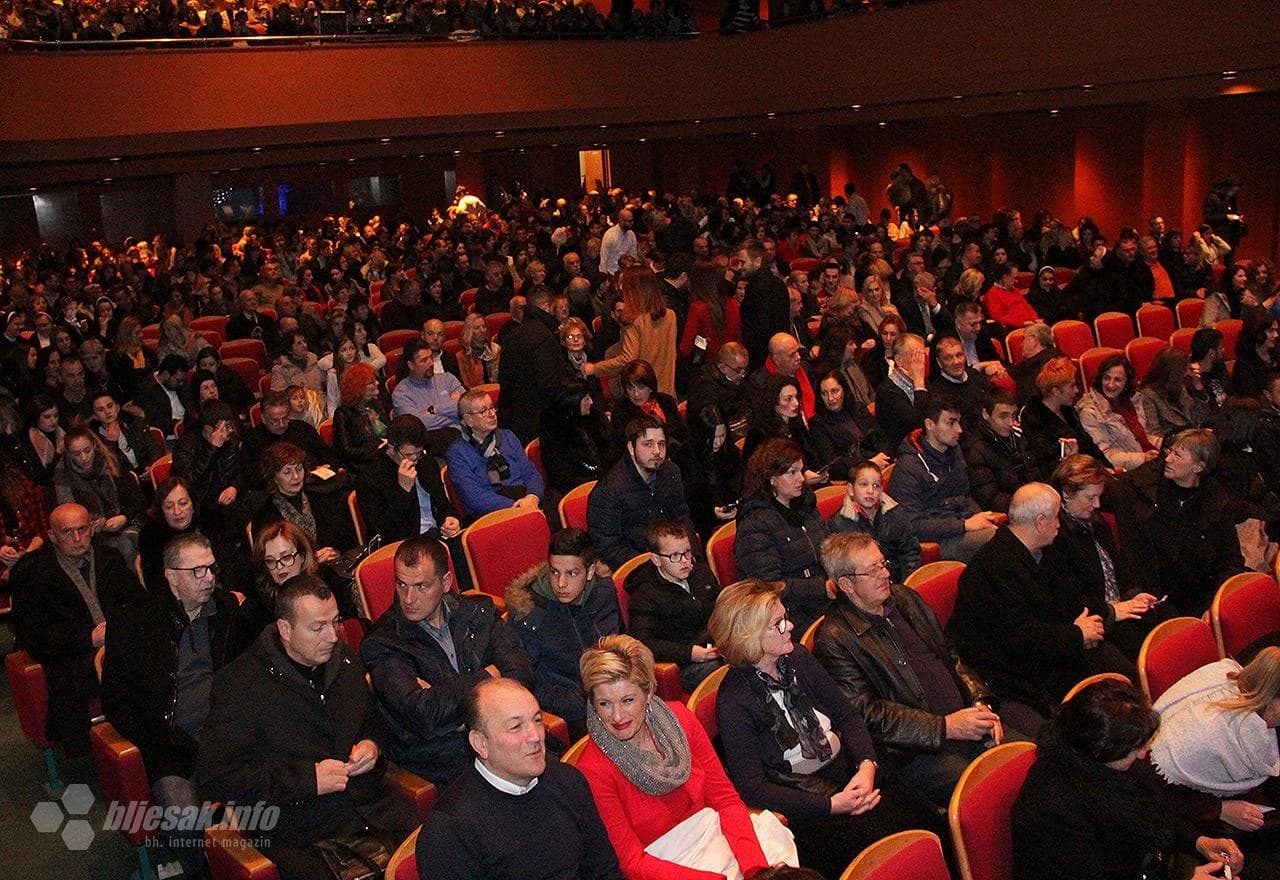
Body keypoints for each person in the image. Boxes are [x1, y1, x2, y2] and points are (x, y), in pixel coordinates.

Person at [711, 578, 941, 880]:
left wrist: (866, 767)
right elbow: (753, 787)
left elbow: (847, 716)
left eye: (786, 618)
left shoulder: (797, 659)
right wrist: (831, 805)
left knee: (925, 821)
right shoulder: (734, 700)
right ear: (749, 637)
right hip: (806, 800)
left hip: (849, 770)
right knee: (877, 847)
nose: (790, 626)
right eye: (778, 624)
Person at [195, 574, 418, 880]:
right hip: (298, 831)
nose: (332, 636)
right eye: (318, 628)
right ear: (285, 629)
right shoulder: (239, 686)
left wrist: (372, 746)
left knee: (440, 848)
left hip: (370, 811)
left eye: (335, 622)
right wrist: (307, 779)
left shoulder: (344, 663)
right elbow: (218, 781)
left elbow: (375, 724)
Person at [575, 634, 797, 880]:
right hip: (664, 865)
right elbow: (632, 863)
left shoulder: (679, 719)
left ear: (648, 693)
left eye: (627, 700)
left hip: (714, 833)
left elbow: (725, 800)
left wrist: (755, 870)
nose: (617, 717)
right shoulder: (593, 769)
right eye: (605, 704)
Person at [101, 532, 256, 876]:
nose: (208, 579)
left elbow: (254, 668)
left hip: (232, 735)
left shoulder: (226, 611)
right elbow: (116, 701)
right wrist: (161, 738)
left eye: (211, 569)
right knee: (184, 818)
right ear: (170, 575)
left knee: (273, 797)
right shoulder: (134, 622)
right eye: (196, 571)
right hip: (172, 747)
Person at [953, 483, 1138, 735]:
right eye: (1055, 518)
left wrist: (1090, 623)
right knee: (1108, 702)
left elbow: (1069, 597)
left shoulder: (1042, 552)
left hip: (1052, 648)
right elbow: (1018, 638)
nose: (1059, 525)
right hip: (1015, 673)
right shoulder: (993, 568)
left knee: (1122, 670)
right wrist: (1076, 635)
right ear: (1040, 521)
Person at [1012, 679, 1243, 880]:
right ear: (1100, 750)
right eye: (1134, 749)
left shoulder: (1108, 764)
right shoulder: (1052, 808)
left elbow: (1155, 815)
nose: (1143, 754)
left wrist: (1199, 841)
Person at [360, 536, 533, 786]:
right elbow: (424, 714)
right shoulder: (383, 642)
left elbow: (521, 674)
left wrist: (455, 712)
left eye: (421, 586)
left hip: (502, 740)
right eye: (401, 584)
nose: (408, 598)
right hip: (445, 762)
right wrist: (489, 675)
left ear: (446, 582)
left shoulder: (478, 612)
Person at [416, 677, 624, 880]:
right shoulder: (449, 831)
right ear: (480, 744)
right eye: (516, 727)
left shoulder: (568, 781)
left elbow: (604, 870)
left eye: (537, 720)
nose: (535, 736)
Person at [11, 502, 143, 755]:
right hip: (69, 658)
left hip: (119, 642)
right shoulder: (34, 573)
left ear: (92, 529)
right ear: (51, 535)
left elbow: (137, 604)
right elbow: (33, 636)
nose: (77, 538)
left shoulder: (109, 560)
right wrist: (88, 638)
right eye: (67, 532)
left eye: (82, 530)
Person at [1041, 455, 1165, 661]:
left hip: (1116, 607)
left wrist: (1133, 595)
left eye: (1099, 496)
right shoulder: (1055, 536)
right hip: (1095, 619)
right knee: (1147, 651)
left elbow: (1120, 567)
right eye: (1090, 498)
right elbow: (1070, 598)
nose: (1097, 504)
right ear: (1067, 494)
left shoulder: (1094, 521)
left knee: (1164, 620)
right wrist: (1112, 610)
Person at [1111, 429, 1245, 616]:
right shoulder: (1142, 485)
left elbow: (1230, 559)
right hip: (1150, 594)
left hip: (1199, 592)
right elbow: (1109, 490)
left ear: (1198, 467)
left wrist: (1215, 604)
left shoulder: (1215, 502)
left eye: (1178, 455)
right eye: (1170, 452)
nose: (1167, 459)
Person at [1151, 649, 1280, 836]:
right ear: (1270, 698)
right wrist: (1220, 809)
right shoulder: (1209, 734)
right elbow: (1153, 788)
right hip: (1182, 802)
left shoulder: (1233, 674)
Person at [506, 528, 622, 736]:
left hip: (611, 690)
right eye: (554, 572)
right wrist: (579, 701)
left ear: (590, 571)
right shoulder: (529, 613)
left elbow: (621, 641)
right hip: (572, 710)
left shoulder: (602, 591)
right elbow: (522, 683)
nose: (561, 583)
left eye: (571, 573)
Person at [734, 439, 830, 636]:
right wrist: (821, 588)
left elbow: (827, 550)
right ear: (771, 479)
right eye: (792, 472)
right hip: (787, 614)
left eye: (801, 470)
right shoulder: (755, 524)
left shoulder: (806, 506)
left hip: (822, 600)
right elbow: (768, 586)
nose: (801, 479)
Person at [892, 395, 1002, 562]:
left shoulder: (954, 451)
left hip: (959, 525)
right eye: (951, 423)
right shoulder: (908, 467)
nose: (959, 430)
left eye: (959, 422)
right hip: (936, 540)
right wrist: (964, 525)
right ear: (930, 424)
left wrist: (977, 517)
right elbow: (911, 524)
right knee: (998, 542)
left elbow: (965, 496)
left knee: (1012, 535)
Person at [624, 519, 724, 693]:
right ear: (656, 560)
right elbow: (644, 643)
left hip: (716, 647)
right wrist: (690, 653)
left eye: (687, 552)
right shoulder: (645, 594)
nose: (685, 561)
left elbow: (721, 607)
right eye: (674, 556)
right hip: (683, 665)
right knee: (728, 670)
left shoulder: (700, 573)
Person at [587, 415, 694, 570]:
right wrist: (655, 564)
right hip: (639, 568)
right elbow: (608, 548)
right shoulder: (609, 491)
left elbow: (682, 518)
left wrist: (691, 555)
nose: (657, 451)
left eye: (661, 444)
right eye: (648, 444)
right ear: (631, 448)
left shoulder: (671, 472)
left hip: (674, 557)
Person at [355, 414, 462, 550]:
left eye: (419, 453)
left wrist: (450, 517)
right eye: (409, 455)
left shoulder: (426, 462)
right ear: (392, 448)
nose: (415, 459)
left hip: (437, 536)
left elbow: (443, 504)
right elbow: (383, 530)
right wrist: (403, 491)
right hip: (403, 545)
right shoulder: (370, 477)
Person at [445, 388, 544, 518]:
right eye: (483, 411)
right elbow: (474, 497)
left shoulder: (508, 436)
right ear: (468, 420)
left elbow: (530, 473)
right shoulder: (457, 453)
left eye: (492, 408)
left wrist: (532, 497)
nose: (492, 414)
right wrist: (517, 507)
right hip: (493, 511)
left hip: (526, 500)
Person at [497, 283, 576, 444]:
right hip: (539, 422)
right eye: (554, 308)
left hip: (514, 419)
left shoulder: (511, 337)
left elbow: (505, 380)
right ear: (547, 307)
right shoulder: (544, 336)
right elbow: (549, 383)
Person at [53, 425, 143, 564]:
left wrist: (124, 517)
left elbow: (137, 499)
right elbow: (66, 515)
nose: (84, 457)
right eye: (76, 454)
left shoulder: (112, 460)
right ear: (68, 454)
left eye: (87, 450)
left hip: (128, 520)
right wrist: (88, 525)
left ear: (94, 445)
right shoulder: (63, 475)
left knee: (126, 545)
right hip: (88, 535)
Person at [586, 267, 679, 398]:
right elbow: (672, 353)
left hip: (642, 394)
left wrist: (594, 368)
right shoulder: (670, 315)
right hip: (667, 392)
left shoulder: (632, 320)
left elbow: (627, 359)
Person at [252, 441, 352, 560]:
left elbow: (346, 539)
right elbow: (269, 562)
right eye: (287, 472)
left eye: (299, 469)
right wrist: (312, 561)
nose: (296, 476)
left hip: (334, 565)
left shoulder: (321, 497)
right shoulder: (265, 516)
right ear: (274, 476)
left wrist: (336, 552)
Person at [827, 460, 921, 582]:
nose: (870, 491)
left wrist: (907, 585)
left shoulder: (895, 513)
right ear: (850, 489)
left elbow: (910, 553)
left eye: (876, 485)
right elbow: (843, 571)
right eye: (863, 484)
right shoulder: (838, 524)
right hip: (864, 587)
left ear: (881, 489)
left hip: (897, 582)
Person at [1020, 356, 1108, 476]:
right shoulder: (1033, 419)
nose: (1077, 390)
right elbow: (1048, 466)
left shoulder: (1067, 410)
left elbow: (1088, 445)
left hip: (1087, 473)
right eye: (1072, 386)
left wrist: (1106, 468)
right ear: (1056, 391)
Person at [1077, 354, 1161, 470]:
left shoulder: (1132, 400)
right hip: (1125, 469)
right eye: (1106, 378)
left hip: (1146, 459)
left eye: (1118, 380)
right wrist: (1143, 458)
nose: (1111, 384)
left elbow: (1140, 437)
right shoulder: (1090, 412)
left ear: (1127, 382)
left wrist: (1160, 443)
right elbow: (1104, 455)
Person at [537, 377, 613, 503]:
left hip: (603, 482)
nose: (591, 402)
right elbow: (562, 474)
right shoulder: (554, 429)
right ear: (573, 401)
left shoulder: (594, 419)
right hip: (574, 488)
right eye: (586, 398)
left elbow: (610, 452)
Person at [809, 370, 890, 482]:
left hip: (881, 464)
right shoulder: (817, 424)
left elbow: (881, 437)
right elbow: (833, 464)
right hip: (852, 477)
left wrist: (883, 457)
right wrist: (870, 463)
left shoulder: (858, 409)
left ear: (844, 390)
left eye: (835, 391)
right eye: (824, 394)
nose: (830, 398)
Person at [392, 339, 464, 458]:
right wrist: (452, 412)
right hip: (430, 448)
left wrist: (434, 409)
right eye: (424, 360)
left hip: (461, 436)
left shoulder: (448, 379)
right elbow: (417, 426)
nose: (430, 363)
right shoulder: (401, 393)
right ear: (411, 365)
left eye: (431, 357)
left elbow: (466, 406)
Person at [1137, 347, 1213, 440]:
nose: (1187, 374)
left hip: (1193, 439)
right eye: (1184, 370)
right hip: (1175, 445)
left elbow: (1201, 418)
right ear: (1174, 374)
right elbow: (1155, 434)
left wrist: (1198, 387)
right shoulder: (1148, 396)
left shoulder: (1180, 388)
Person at [330, 361, 388, 473]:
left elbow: (390, 432)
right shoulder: (343, 414)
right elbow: (346, 451)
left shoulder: (376, 405)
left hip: (382, 458)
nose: (377, 383)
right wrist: (376, 448)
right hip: (360, 465)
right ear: (358, 387)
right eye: (371, 382)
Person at [686, 341, 751, 440]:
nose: (743, 375)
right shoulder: (705, 386)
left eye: (745, 369)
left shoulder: (742, 383)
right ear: (723, 367)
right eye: (738, 370)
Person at [455, 312, 501, 388]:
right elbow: (466, 385)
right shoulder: (462, 356)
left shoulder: (496, 349)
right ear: (469, 331)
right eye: (477, 328)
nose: (482, 330)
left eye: (484, 326)